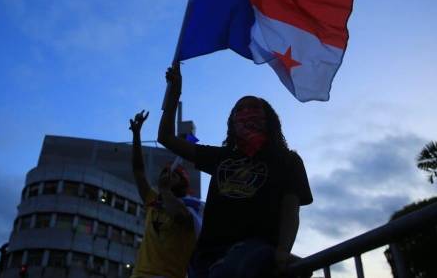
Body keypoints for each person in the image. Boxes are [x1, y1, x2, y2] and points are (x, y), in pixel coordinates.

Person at [158, 63, 313, 278]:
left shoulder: (288, 160)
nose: (246, 113)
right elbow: (165, 137)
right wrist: (174, 93)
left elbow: (290, 210)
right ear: (231, 122)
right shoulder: (221, 157)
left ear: (268, 118)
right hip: (207, 257)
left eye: (253, 108)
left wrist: (283, 250)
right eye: (239, 110)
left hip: (253, 250)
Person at [129, 110, 203, 278]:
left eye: (173, 174)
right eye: (165, 172)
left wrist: (164, 190)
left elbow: (180, 217)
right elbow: (138, 170)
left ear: (183, 183)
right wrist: (136, 134)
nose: (167, 174)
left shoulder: (192, 207)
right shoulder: (154, 200)